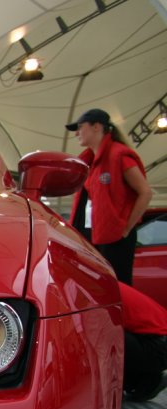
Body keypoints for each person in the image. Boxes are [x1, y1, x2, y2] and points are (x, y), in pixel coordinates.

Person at [66, 108, 153, 285]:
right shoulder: (88, 162)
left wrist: (126, 228)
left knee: (118, 287)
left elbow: (145, 192)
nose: (76, 133)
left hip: (115, 237)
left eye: (80, 127)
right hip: (93, 235)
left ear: (97, 127)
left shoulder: (118, 155)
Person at [120, 282, 167, 401]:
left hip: (157, 343)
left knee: (102, 334)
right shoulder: (99, 281)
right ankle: (144, 381)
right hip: (154, 340)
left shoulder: (95, 291)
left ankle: (116, 388)